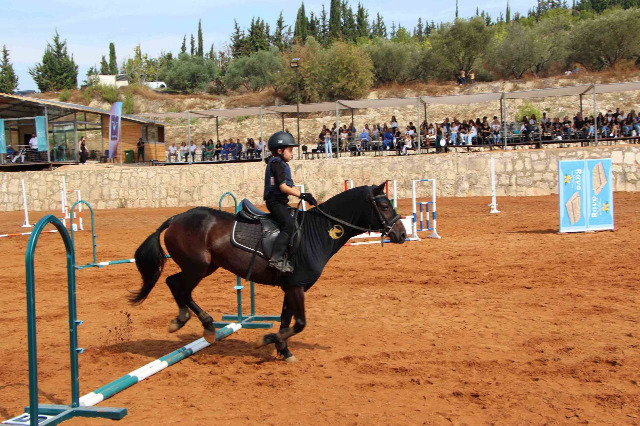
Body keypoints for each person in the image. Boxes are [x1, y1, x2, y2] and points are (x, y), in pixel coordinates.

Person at [263, 131, 317, 272]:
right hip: (275, 202)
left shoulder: (280, 163)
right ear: (280, 151)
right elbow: (283, 187)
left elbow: (289, 186)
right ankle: (276, 258)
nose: (292, 153)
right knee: (288, 224)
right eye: (290, 150)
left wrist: (305, 195)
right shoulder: (276, 163)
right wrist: (302, 195)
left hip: (280, 201)